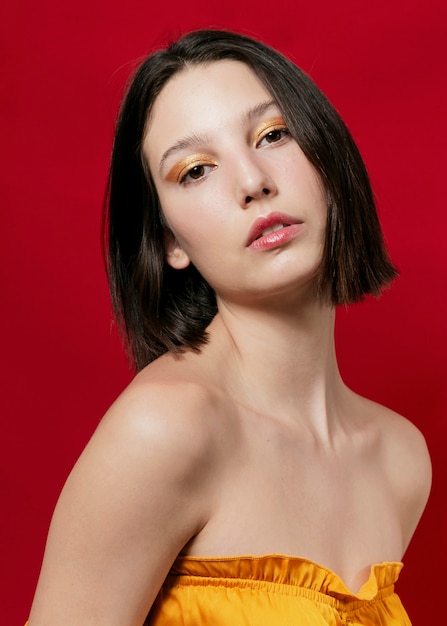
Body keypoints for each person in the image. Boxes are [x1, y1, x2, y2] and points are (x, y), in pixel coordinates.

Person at [27, 29, 431, 625]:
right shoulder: (166, 429)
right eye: (195, 170)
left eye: (273, 134)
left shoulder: (401, 460)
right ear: (168, 242)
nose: (252, 182)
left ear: (327, 156)